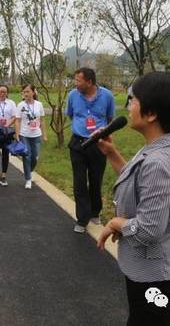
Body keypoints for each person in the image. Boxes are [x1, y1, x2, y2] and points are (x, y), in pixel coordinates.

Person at [96, 72, 170, 326]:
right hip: (160, 268)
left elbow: (148, 229)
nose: (128, 105)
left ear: (151, 114)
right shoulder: (169, 145)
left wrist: (116, 224)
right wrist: (113, 154)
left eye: (133, 99)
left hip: (156, 274)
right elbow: (142, 185)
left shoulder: (158, 162)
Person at [66, 67, 116, 233]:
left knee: (95, 180)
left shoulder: (107, 96)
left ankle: (95, 211)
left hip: (98, 144)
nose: (76, 83)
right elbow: (72, 115)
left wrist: (101, 134)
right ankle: (82, 218)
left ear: (89, 82)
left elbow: (110, 118)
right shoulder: (73, 95)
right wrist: (82, 127)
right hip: (78, 143)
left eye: (79, 80)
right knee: (79, 182)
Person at [15, 84, 48, 189]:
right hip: (24, 135)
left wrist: (44, 134)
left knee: (35, 157)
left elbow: (42, 121)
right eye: (24, 92)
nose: (26, 94)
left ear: (33, 92)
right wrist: (17, 134)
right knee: (27, 156)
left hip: (36, 134)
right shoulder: (20, 105)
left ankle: (29, 170)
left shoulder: (39, 104)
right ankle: (28, 178)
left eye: (28, 91)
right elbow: (17, 121)